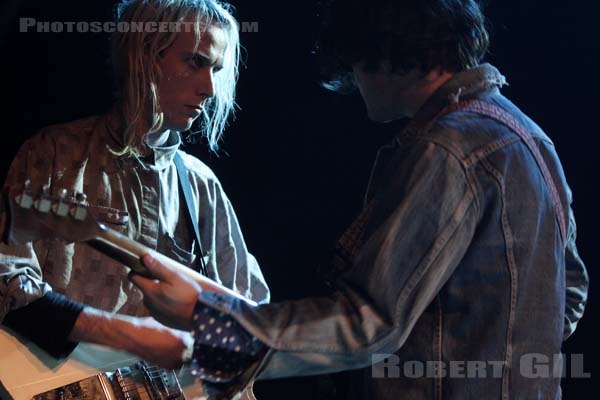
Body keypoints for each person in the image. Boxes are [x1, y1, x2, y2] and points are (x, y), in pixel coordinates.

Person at [129, 0, 589, 398]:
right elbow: (567, 296)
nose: (351, 80)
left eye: (353, 62)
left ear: (383, 49)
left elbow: (367, 325)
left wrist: (209, 318)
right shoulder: (529, 136)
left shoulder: (444, 150)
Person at [0, 0, 269, 371]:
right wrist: (131, 333)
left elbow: (252, 314)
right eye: (195, 62)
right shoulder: (55, 153)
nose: (209, 88)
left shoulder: (202, 186)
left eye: (216, 70)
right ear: (144, 55)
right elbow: (6, 280)